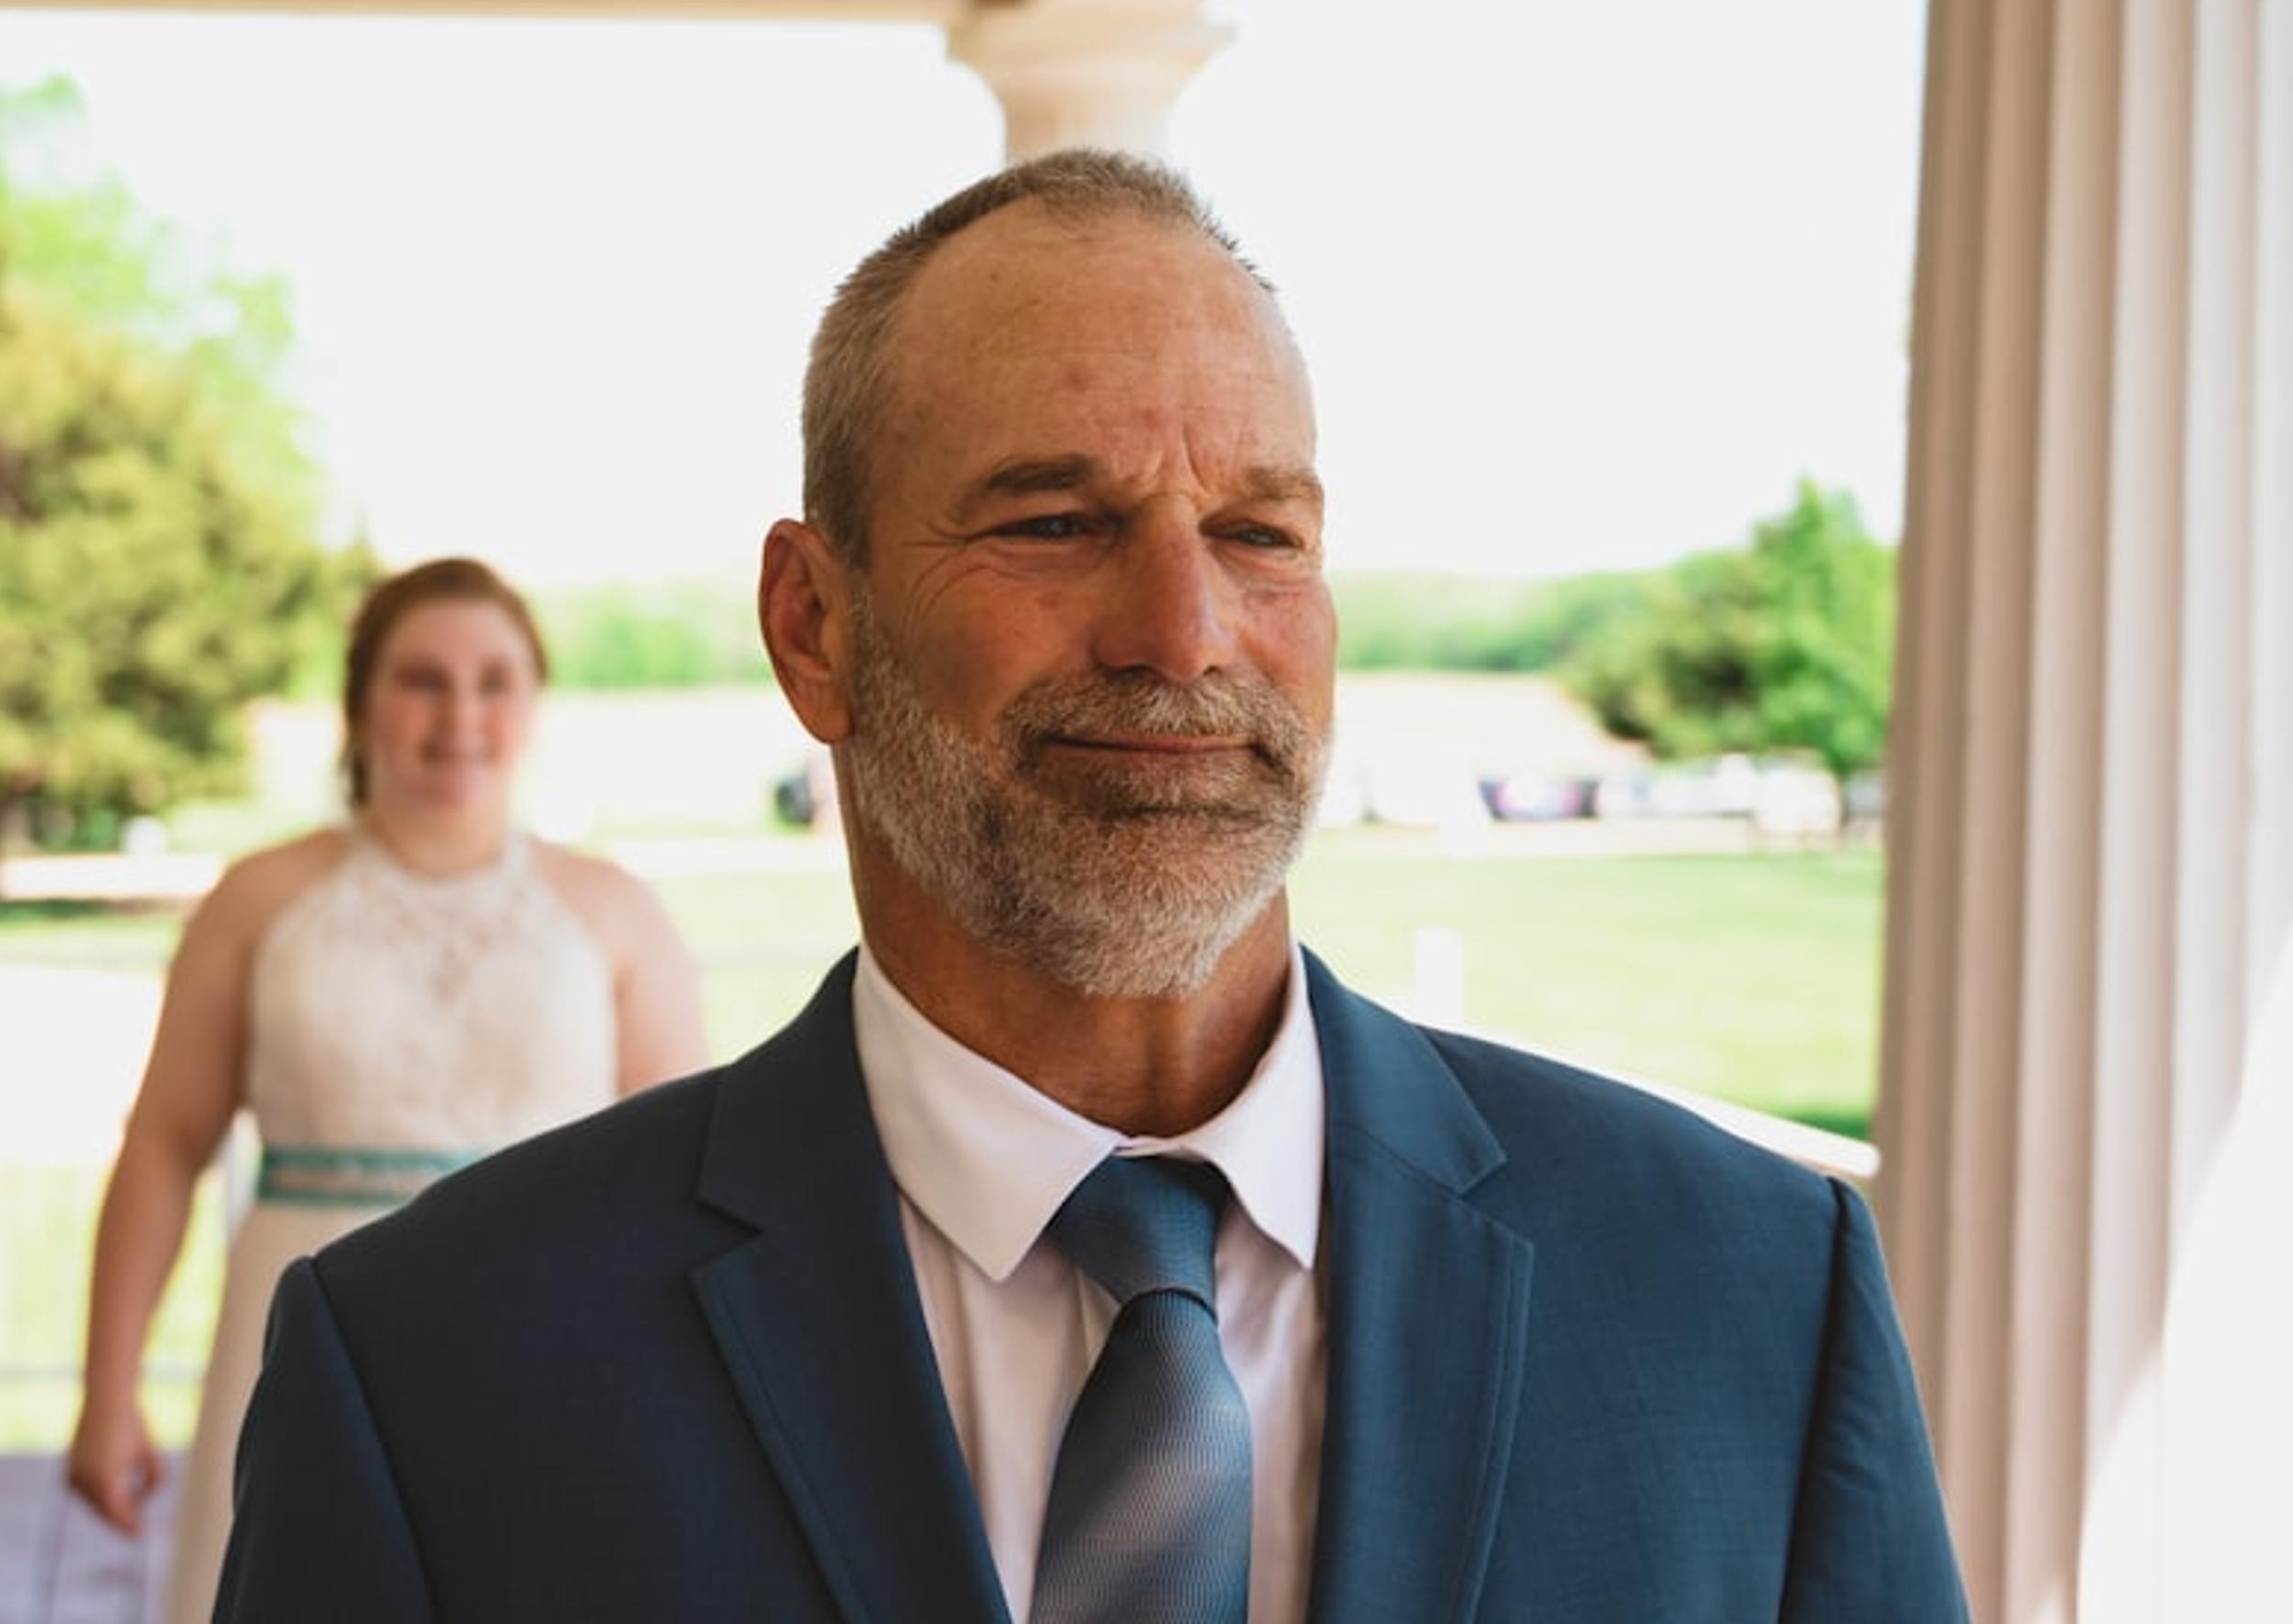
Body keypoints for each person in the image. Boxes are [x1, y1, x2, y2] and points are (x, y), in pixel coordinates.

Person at [210, 152, 1968, 1621]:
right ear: (815, 628)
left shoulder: (1752, 1293)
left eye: (1262, 533)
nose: (1185, 634)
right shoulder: (435, 1366)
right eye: (1055, 522)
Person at [61, 555, 708, 1624]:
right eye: (422, 680)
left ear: (532, 705)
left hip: (550, 1346)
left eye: (493, 681)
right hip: (302, 1336)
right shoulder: (260, 899)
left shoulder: (613, 910)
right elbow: (166, 1144)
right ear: (360, 703)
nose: (459, 715)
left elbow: (689, 1188)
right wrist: (107, 1389)